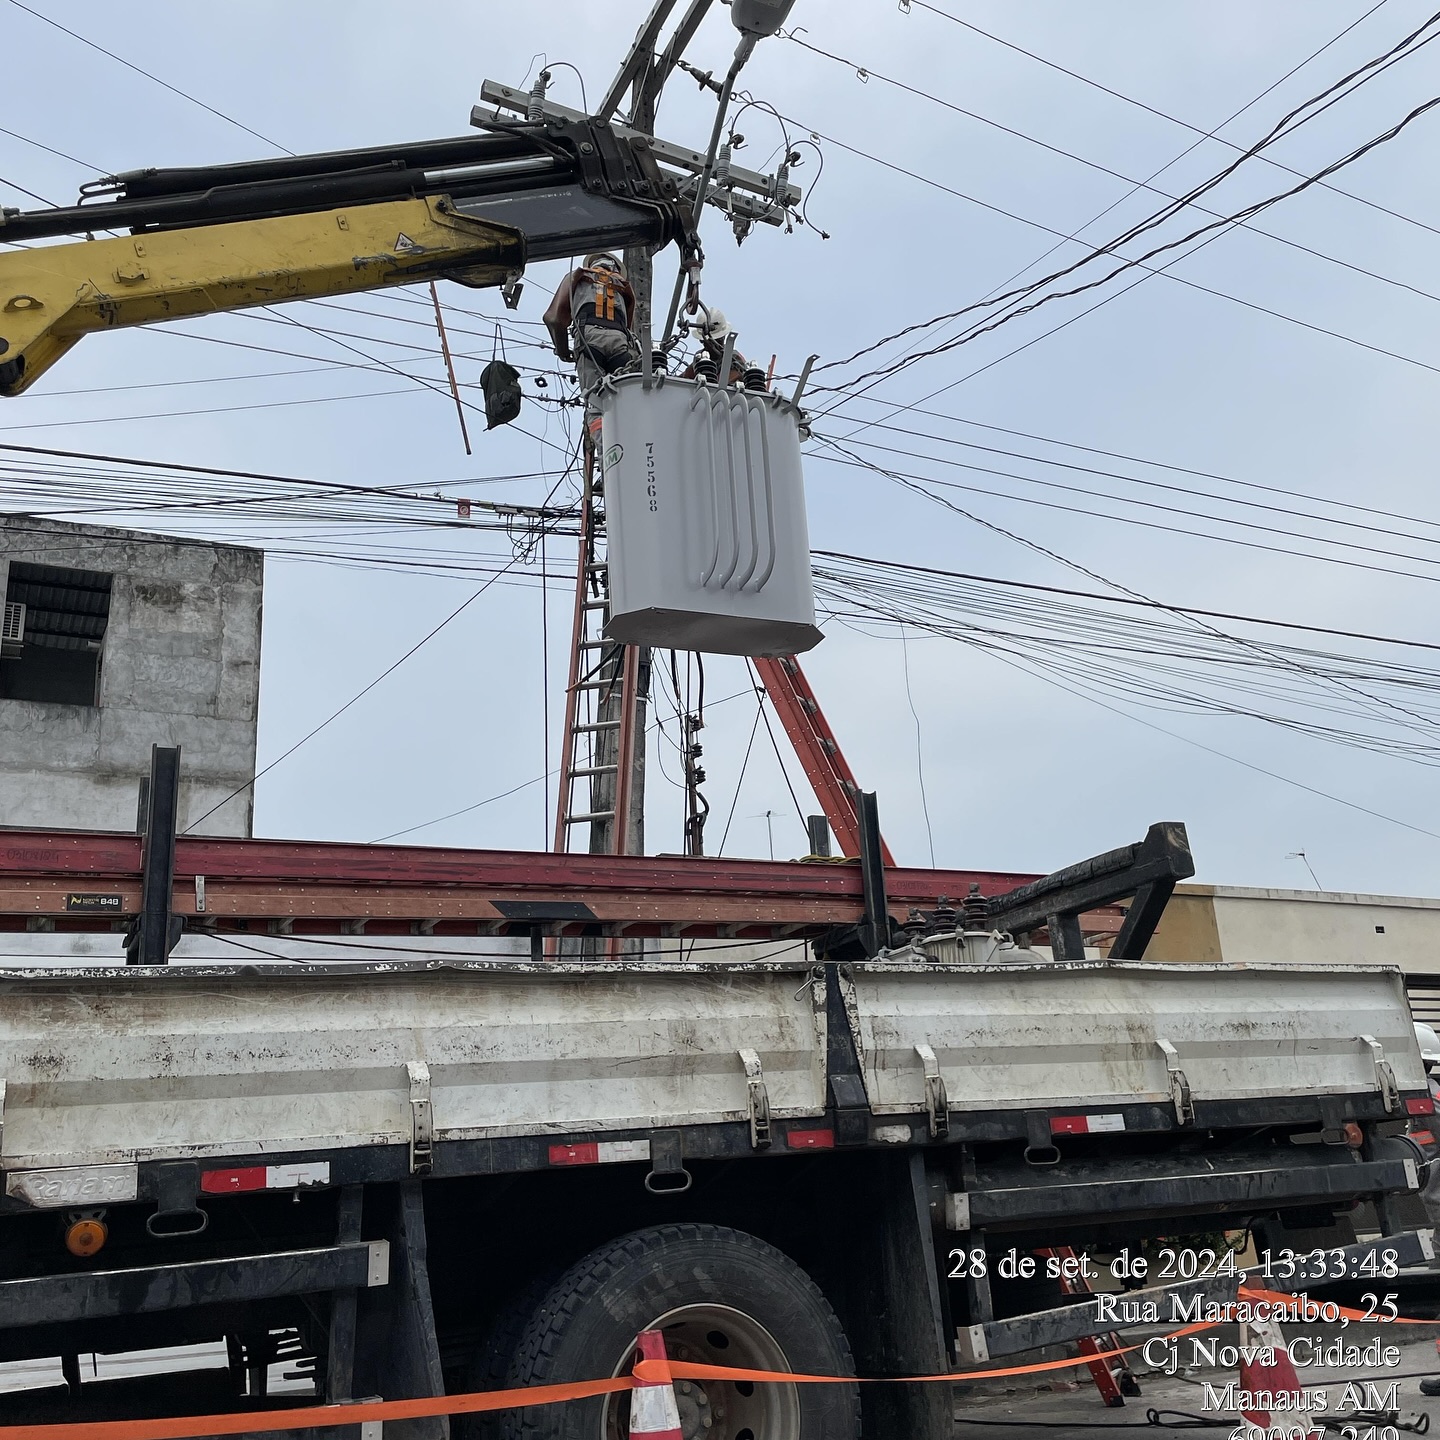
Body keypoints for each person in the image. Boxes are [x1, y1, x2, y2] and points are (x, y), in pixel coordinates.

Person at [543, 253, 640, 406]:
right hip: (619, 342)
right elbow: (629, 328)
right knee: (624, 402)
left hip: (589, 339)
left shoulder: (577, 276)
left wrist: (563, 351)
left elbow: (553, 319)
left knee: (595, 403)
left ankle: (597, 427)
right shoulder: (623, 286)